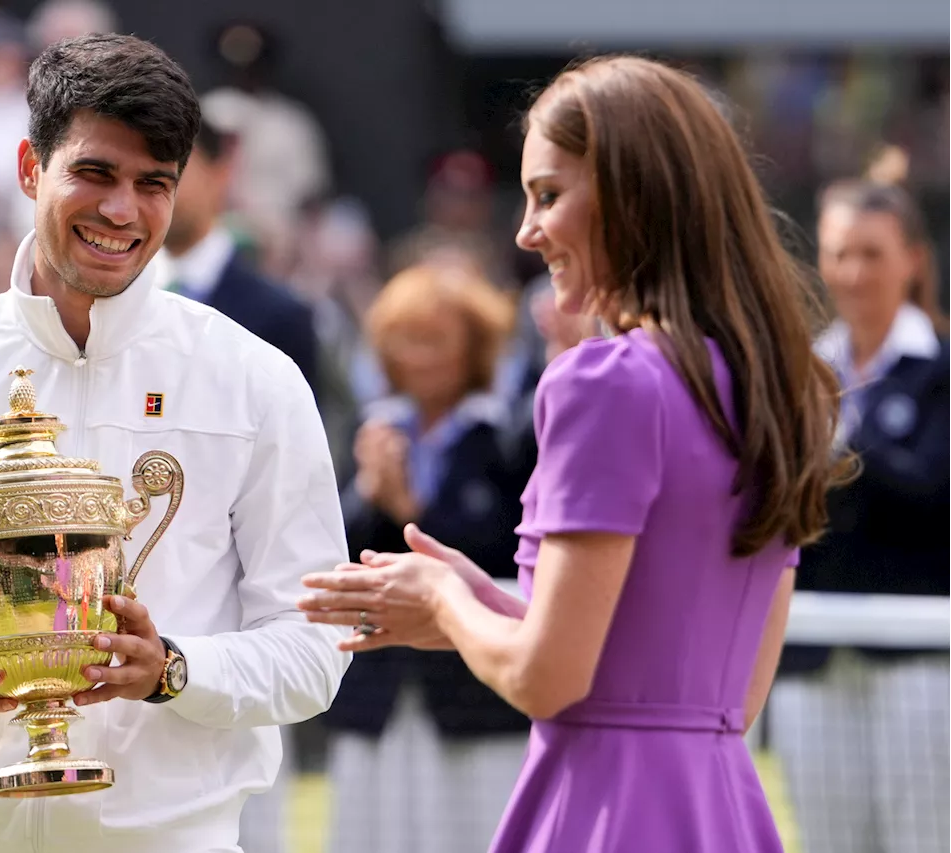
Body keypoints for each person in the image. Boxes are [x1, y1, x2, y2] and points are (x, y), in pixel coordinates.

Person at [298, 55, 848, 852]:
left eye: (549, 195)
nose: (526, 231)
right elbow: (709, 686)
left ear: (634, 193)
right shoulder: (776, 384)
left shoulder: (605, 379)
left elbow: (549, 679)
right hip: (720, 810)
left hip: (601, 812)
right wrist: (474, 603)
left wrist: (445, 599)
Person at [0, 33, 350, 853]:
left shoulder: (255, 381)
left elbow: (313, 648)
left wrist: (172, 669)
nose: (120, 211)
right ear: (30, 169)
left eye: (153, 184)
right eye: (94, 174)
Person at [770, 162, 951, 853]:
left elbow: (931, 493)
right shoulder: (798, 374)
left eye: (871, 252)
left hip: (922, 666)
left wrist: (841, 439)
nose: (853, 271)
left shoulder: (942, 371)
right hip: (812, 656)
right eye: (840, 252)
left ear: (912, 260)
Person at [323, 264, 533, 853]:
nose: (418, 357)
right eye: (404, 339)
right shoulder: (374, 430)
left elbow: (504, 551)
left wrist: (412, 508)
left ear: (473, 347)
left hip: (475, 692)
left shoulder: (507, 435)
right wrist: (369, 491)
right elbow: (334, 549)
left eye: (435, 339)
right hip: (381, 687)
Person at [161, 117, 319, 393]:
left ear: (220, 174)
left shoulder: (281, 314)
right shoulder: (111, 295)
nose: (157, 186)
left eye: (175, 170)